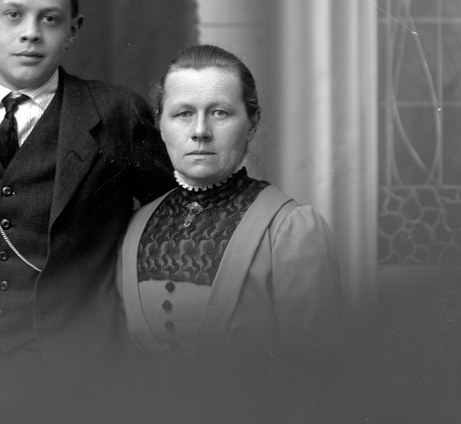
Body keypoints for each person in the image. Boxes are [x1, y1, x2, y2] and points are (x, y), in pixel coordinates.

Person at [0, 0, 173, 400]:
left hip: (87, 372)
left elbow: (169, 219)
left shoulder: (117, 114)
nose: (30, 34)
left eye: (50, 19)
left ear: (73, 29)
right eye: (13, 15)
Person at [117, 43, 343, 382]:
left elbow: (317, 376)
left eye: (220, 113)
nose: (200, 131)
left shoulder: (292, 230)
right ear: (161, 125)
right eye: (183, 114)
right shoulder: (137, 226)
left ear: (252, 124)